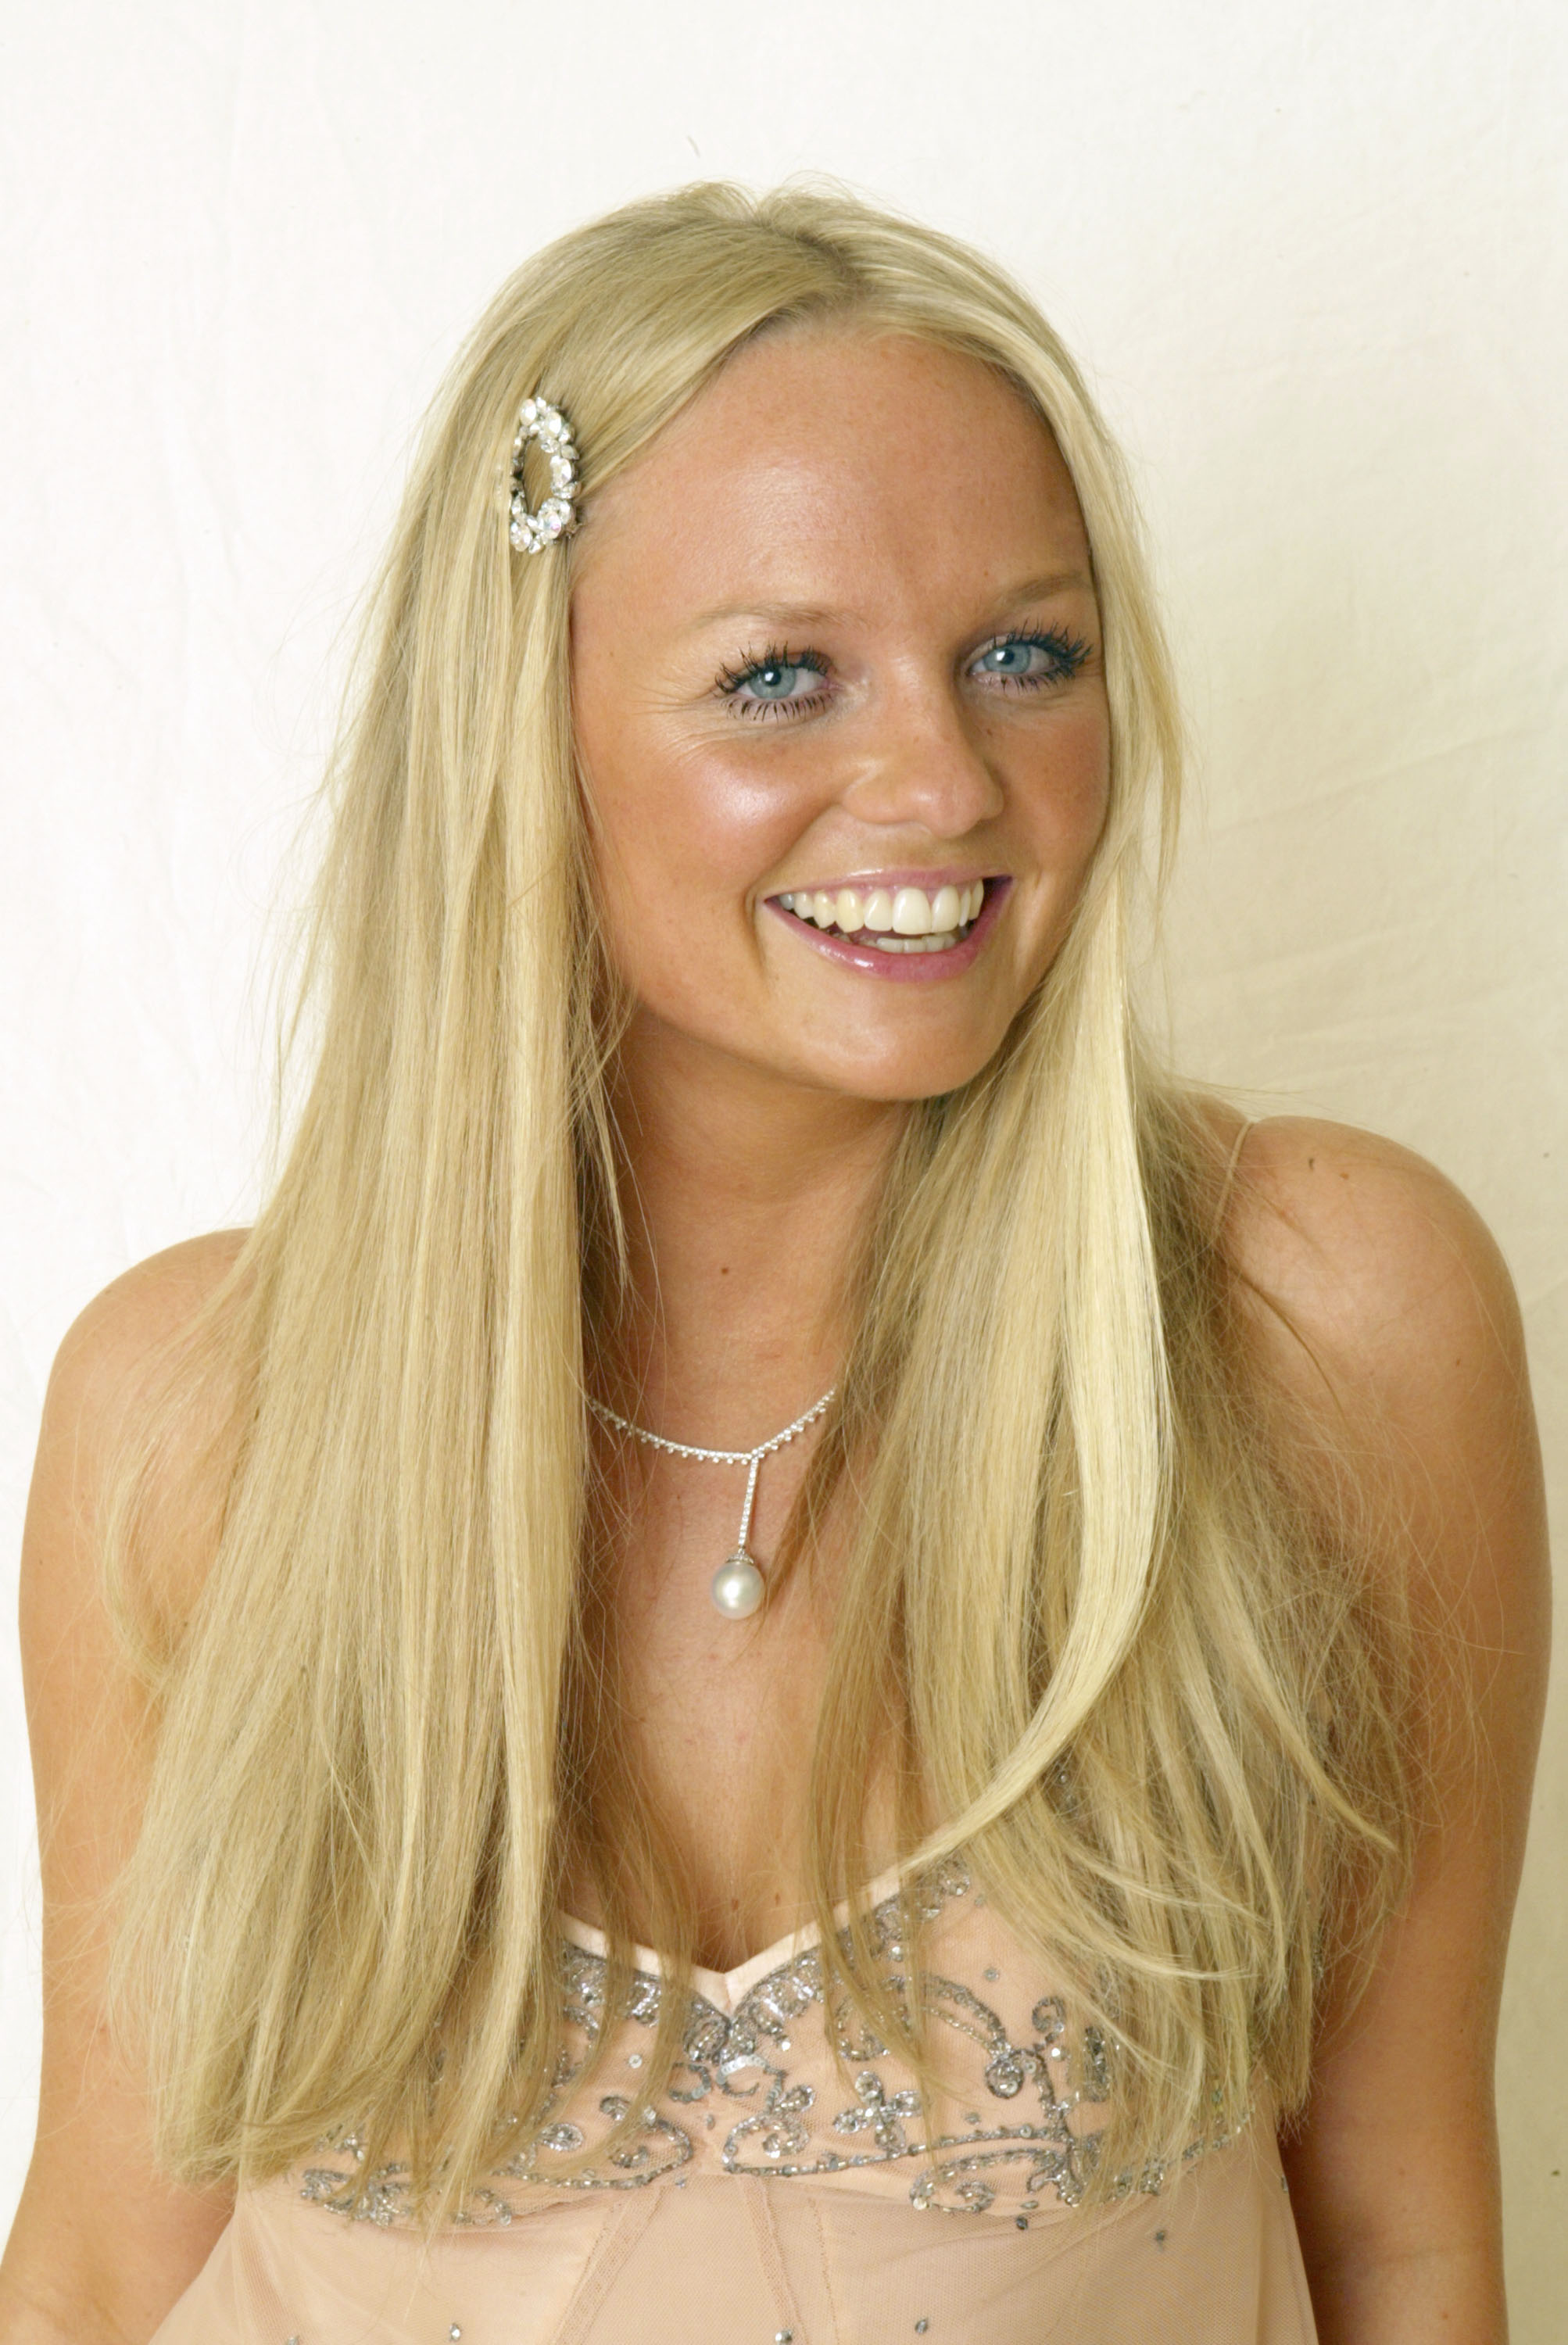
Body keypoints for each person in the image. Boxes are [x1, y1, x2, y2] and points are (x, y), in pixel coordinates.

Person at [0, 181, 1548, 2345]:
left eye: (1027, 655)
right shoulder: (195, 1415)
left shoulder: (1318, 1324)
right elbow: (98, 2264)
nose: (943, 780)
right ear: (526, 724)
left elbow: (1406, 2234)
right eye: (781, 678)